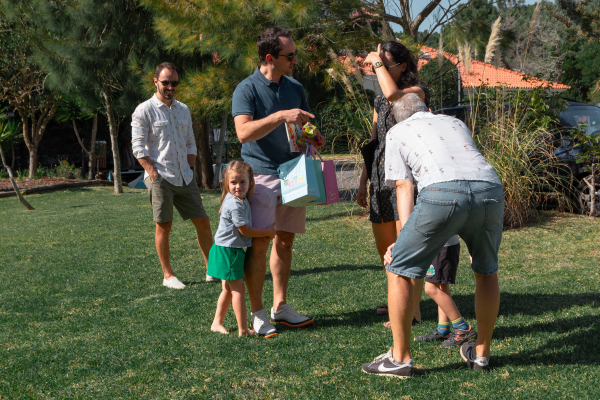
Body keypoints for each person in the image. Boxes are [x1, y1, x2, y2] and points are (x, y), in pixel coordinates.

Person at [362, 94, 504, 377]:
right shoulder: (453, 122)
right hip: (490, 189)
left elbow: (404, 187)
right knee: (486, 271)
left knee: (399, 269)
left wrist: (402, 240)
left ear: (396, 119)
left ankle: (399, 359)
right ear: (428, 110)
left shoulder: (396, 131)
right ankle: (481, 354)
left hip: (441, 192)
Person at [232, 27, 326, 337]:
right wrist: (281, 115)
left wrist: (314, 135)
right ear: (270, 58)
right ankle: (258, 313)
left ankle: (280, 306)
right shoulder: (246, 89)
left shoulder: (295, 86)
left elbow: (303, 124)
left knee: (285, 240)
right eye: (290, 56)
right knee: (260, 242)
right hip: (261, 174)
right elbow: (244, 133)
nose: (295, 61)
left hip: (295, 174)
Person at [359, 42, 451, 326]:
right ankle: (396, 301)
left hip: (405, 179)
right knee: (385, 247)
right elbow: (373, 144)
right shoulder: (377, 102)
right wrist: (363, 181)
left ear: (402, 67)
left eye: (385, 65)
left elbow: (392, 93)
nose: (379, 70)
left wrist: (375, 62)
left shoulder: (417, 92)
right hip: (380, 180)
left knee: (405, 244)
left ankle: (412, 312)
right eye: (379, 66)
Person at [131, 62, 216, 289]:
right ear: (156, 81)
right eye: (166, 82)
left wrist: (190, 167)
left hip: (184, 176)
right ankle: (168, 276)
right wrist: (153, 174)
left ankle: (213, 269)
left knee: (203, 221)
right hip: (160, 177)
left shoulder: (183, 109)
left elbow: (190, 141)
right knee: (164, 225)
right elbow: (138, 147)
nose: (170, 87)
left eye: (174, 83)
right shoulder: (144, 110)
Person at [209, 161, 276, 337]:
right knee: (238, 290)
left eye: (242, 182)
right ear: (226, 183)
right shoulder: (235, 204)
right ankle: (243, 329)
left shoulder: (239, 199)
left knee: (228, 289)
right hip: (228, 251)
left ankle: (217, 322)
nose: (238, 186)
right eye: (233, 182)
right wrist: (267, 232)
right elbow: (244, 230)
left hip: (227, 249)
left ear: (250, 182)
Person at [414, 239, 477, 348]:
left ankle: (462, 328)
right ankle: (443, 329)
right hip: (438, 246)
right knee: (442, 285)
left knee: (431, 288)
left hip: (443, 246)